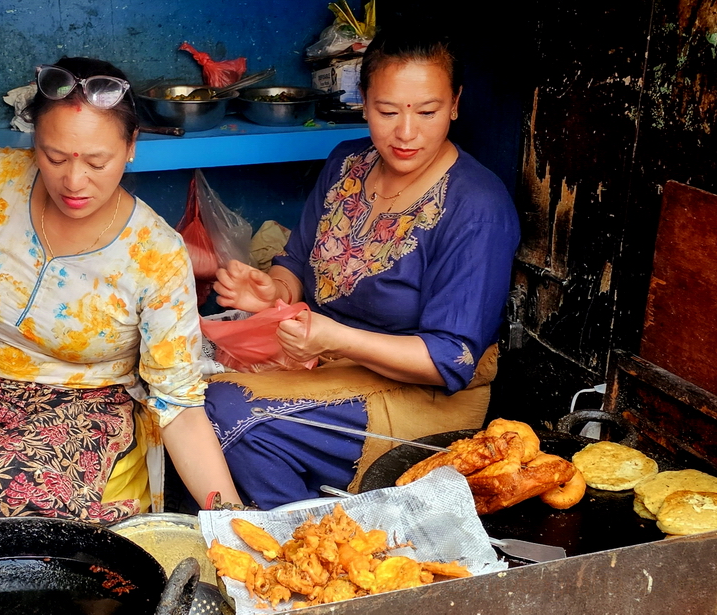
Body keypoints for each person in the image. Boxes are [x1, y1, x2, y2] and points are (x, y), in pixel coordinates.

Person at [0, 57, 240, 548]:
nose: (74, 181)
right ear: (33, 142)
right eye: (54, 157)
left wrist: (230, 523)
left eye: (96, 161)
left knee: (13, 485)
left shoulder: (155, 255)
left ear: (130, 148)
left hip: (80, 404)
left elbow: (180, 406)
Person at [204, 30, 521, 509]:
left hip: (422, 400)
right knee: (186, 388)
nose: (406, 132)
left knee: (230, 415)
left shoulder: (476, 206)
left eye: (428, 111)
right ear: (364, 104)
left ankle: (314, 540)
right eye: (387, 111)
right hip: (332, 366)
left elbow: (448, 360)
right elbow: (296, 265)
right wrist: (273, 292)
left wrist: (334, 338)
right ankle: (311, 524)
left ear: (455, 104)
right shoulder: (346, 164)